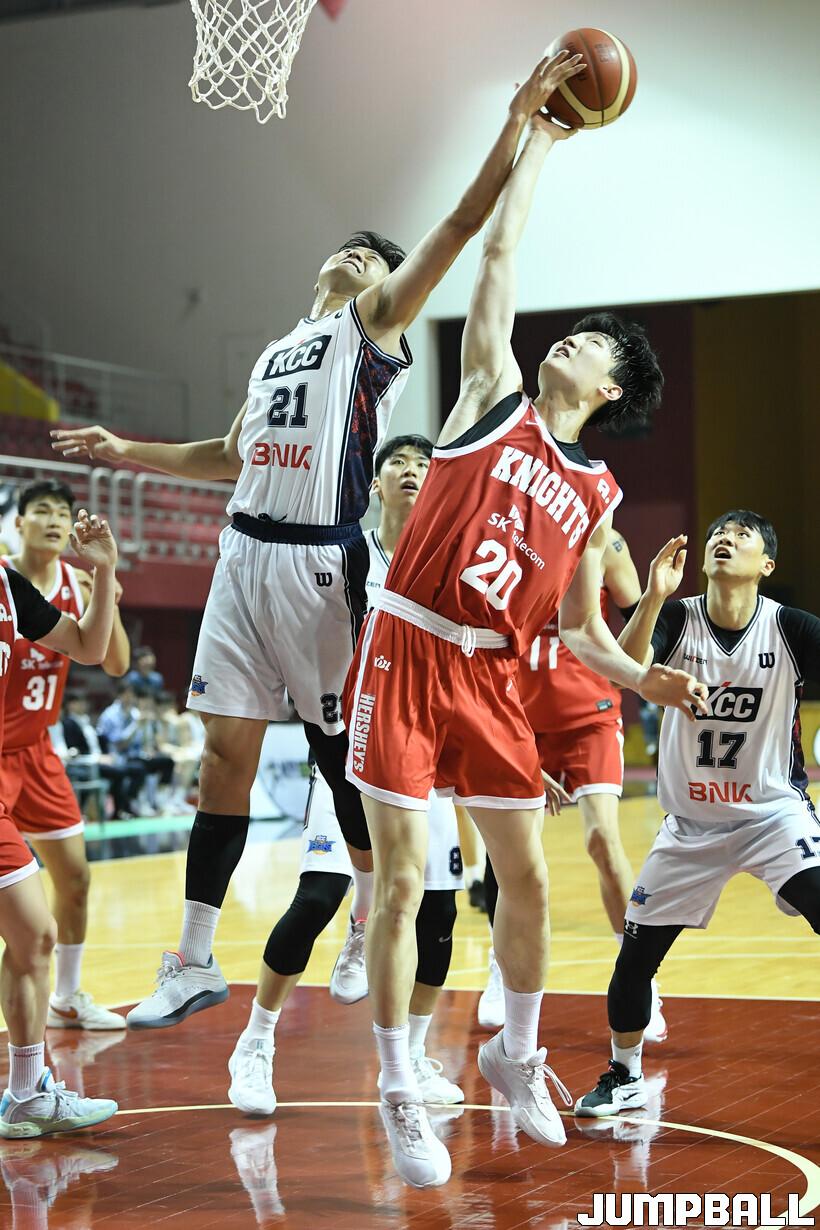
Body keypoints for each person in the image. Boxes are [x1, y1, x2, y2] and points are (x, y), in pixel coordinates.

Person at [52, 50, 587, 1032]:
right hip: (241, 559)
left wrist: (517, 127)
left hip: (318, 563)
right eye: (346, 247)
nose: (354, 253)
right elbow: (228, 455)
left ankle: (364, 918)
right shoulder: (275, 351)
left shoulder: (369, 331)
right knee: (223, 759)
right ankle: (194, 959)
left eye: (372, 254)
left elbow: (460, 226)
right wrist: (125, 450)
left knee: (341, 752)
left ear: (388, 286)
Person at [342, 109, 707, 1187]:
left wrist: (645, 678)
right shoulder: (489, 396)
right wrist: (539, 141)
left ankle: (516, 1054)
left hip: (495, 676)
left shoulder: (597, 492)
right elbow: (496, 255)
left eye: (590, 345)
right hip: (408, 648)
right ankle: (399, 1087)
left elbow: (582, 630)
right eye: (572, 333)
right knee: (405, 882)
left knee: (530, 880)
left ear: (609, 391)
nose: (568, 341)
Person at [226, 435, 466, 1114]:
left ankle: (412, 1054)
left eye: (425, 466)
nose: (413, 472)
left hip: (423, 756)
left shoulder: (452, 563)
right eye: (400, 464)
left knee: (439, 914)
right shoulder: (346, 554)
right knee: (318, 897)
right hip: (351, 750)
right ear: (375, 485)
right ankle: (256, 1042)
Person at [574, 513, 820, 1118]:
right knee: (634, 961)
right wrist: (653, 596)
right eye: (718, 532)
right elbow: (629, 669)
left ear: (766, 565)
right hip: (689, 829)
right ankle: (625, 1074)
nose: (724, 539)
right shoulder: (678, 618)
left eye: (742, 534)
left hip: (772, 817)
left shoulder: (790, 628)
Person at [479, 528, 667, 1043]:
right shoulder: (504, 536)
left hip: (590, 714)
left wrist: (644, 672)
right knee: (510, 854)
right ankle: (500, 969)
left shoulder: (608, 543)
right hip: (520, 716)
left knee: (602, 840)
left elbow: (643, 628)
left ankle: (640, 978)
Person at [0, 508, 119, 1137]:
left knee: (35, 934)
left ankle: (26, 1093)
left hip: (25, 759)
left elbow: (93, 649)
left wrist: (105, 573)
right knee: (33, 933)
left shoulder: (7, 585)